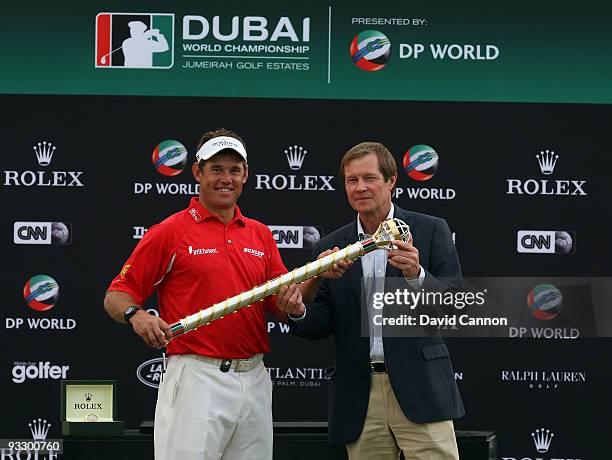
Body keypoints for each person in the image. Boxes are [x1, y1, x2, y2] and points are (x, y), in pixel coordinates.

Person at [104, 128, 290, 460]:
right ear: (197, 173)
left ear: (245, 175)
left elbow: (279, 305)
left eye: (234, 169)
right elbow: (117, 294)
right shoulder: (170, 231)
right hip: (197, 377)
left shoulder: (260, 234)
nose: (226, 178)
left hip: (255, 378)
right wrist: (137, 314)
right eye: (216, 169)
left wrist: (305, 290)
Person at [277, 142, 465, 460]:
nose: (360, 187)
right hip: (360, 395)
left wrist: (416, 275)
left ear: (391, 180)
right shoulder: (331, 246)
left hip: (420, 388)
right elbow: (319, 323)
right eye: (352, 180)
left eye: (369, 178)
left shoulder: (431, 230)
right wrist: (298, 310)